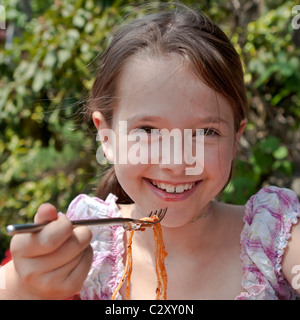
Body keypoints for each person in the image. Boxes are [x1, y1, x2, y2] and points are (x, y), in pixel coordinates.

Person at [1, 4, 300, 300]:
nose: (175, 163)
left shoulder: (277, 238)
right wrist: (23, 287)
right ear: (106, 136)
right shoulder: (85, 245)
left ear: (236, 139)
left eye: (205, 132)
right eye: (147, 130)